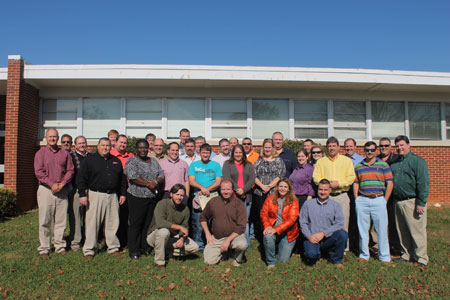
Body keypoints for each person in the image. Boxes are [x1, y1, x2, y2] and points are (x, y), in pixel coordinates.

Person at [77, 138, 127, 259]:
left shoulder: (115, 161)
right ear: (98, 146)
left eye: (107, 145)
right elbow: (81, 178)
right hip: (95, 195)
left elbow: (122, 180)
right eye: (103, 145)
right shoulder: (89, 160)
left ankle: (113, 247)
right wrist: (82, 194)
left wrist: (122, 194)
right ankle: (89, 249)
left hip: (112, 195)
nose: (105, 148)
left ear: (111, 147)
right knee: (92, 222)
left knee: (113, 222)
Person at [34, 128, 75, 257]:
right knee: (45, 219)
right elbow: (39, 172)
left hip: (62, 190)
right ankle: (44, 247)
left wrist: (62, 184)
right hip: (46, 190)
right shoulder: (40, 154)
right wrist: (52, 184)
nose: (52, 139)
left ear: (58, 138)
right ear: (46, 138)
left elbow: (70, 170)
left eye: (55, 137)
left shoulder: (65, 154)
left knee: (61, 220)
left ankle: (59, 245)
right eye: (50, 136)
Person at [391, 135, 429, 267]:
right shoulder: (396, 163)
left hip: (412, 201)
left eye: (402, 145)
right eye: (397, 146)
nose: (399, 148)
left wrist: (421, 202)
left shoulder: (417, 161)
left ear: (408, 145)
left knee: (417, 231)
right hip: (398, 202)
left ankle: (421, 258)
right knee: (402, 231)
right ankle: (406, 255)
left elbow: (423, 183)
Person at [353, 141, 393, 263]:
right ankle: (364, 254)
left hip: (378, 199)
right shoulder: (359, 166)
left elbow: (390, 183)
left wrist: (385, 200)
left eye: (372, 150)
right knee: (363, 229)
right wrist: (356, 198)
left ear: (376, 150)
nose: (369, 152)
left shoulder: (383, 165)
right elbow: (356, 182)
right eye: (367, 150)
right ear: (364, 151)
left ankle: (384, 256)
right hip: (363, 199)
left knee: (381, 229)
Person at [313, 136, 355, 250]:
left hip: (342, 195)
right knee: (326, 223)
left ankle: (343, 250)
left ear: (338, 147)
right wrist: (326, 184)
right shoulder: (321, 162)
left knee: (343, 222)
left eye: (333, 146)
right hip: (326, 197)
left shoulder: (346, 161)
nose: (331, 148)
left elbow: (351, 177)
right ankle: (328, 247)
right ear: (327, 148)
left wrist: (339, 183)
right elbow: (316, 177)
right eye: (329, 146)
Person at [124, 139, 164, 259]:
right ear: (136, 149)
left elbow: (161, 175)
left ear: (148, 149)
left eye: (145, 147)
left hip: (151, 197)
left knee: (147, 224)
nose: (143, 150)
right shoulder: (132, 161)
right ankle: (134, 250)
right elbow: (132, 176)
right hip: (136, 197)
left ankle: (144, 247)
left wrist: (155, 182)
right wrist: (148, 184)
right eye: (140, 147)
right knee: (136, 224)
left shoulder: (153, 161)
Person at [146, 184, 199, 267]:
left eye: (182, 195)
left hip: (173, 236)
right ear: (171, 194)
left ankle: (166, 251)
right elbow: (160, 223)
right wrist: (179, 227)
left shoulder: (185, 209)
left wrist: (182, 239)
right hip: (155, 235)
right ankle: (159, 262)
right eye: (177, 195)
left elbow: (185, 226)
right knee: (164, 231)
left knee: (194, 247)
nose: (179, 197)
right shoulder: (162, 204)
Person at [300, 179, 347, 269]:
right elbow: (303, 222)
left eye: (325, 190)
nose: (323, 192)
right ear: (317, 190)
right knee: (311, 256)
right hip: (312, 238)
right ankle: (318, 253)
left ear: (330, 190)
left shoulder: (336, 205)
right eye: (320, 189)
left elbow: (339, 223)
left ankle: (336, 260)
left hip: (327, 238)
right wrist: (309, 236)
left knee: (343, 234)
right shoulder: (308, 204)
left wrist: (323, 233)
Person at [200, 179, 248, 266]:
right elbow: (203, 218)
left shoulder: (239, 204)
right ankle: (226, 252)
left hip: (234, 236)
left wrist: (228, 240)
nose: (225, 192)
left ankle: (237, 258)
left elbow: (241, 226)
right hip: (217, 238)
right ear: (220, 190)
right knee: (209, 261)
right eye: (223, 189)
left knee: (242, 245)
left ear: (233, 190)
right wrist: (207, 234)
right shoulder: (213, 201)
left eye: (228, 189)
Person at [188, 143, 223, 251]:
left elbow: (218, 181)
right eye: (203, 152)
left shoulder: (216, 165)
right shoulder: (194, 165)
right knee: (198, 222)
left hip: (212, 196)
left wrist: (207, 189)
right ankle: (199, 245)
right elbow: (191, 181)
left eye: (207, 153)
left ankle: (212, 244)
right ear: (199, 153)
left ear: (210, 153)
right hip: (198, 196)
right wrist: (202, 188)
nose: (205, 154)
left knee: (212, 221)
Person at [252, 138, 286, 245]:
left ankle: (273, 236)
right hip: (260, 192)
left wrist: (270, 186)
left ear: (273, 148)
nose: (267, 149)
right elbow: (254, 176)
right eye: (265, 147)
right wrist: (262, 186)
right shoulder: (258, 161)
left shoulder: (278, 160)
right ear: (263, 148)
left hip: (273, 192)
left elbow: (280, 175)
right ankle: (262, 238)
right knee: (262, 215)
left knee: (274, 215)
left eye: (269, 147)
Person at [260, 178, 299, 267]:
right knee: (267, 236)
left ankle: (280, 248)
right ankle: (271, 262)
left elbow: (292, 220)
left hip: (288, 233)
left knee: (282, 261)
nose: (282, 189)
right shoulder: (270, 198)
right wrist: (267, 226)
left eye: (285, 187)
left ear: (289, 189)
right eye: (280, 186)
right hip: (272, 228)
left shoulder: (294, 201)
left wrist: (276, 230)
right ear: (277, 187)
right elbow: (264, 213)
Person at [222, 144, 256, 244]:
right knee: (231, 220)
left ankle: (245, 243)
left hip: (246, 196)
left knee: (244, 221)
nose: (238, 154)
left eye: (240, 152)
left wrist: (244, 190)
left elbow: (252, 179)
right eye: (236, 152)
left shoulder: (249, 164)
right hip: (232, 197)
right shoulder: (227, 164)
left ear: (243, 153)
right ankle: (231, 242)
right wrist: (237, 189)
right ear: (233, 153)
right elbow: (227, 178)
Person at [377, 137, 401, 255]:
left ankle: (395, 247)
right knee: (379, 223)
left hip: (393, 196)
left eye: (386, 145)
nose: (384, 148)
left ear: (390, 147)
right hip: (378, 196)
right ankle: (378, 246)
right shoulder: (376, 159)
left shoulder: (397, 159)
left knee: (393, 223)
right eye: (381, 146)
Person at [110, 134, 134, 247]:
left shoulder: (131, 156)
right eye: (121, 142)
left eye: (125, 143)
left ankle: (125, 239)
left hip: (129, 188)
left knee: (126, 215)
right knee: (114, 216)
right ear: (115, 142)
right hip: (115, 188)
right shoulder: (110, 155)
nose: (123, 144)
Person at [68, 135, 89, 251]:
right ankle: (75, 242)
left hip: (90, 191)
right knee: (75, 217)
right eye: (79, 143)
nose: (82, 145)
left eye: (83, 143)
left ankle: (88, 240)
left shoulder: (90, 157)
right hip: (76, 191)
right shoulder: (71, 157)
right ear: (75, 145)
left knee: (89, 218)